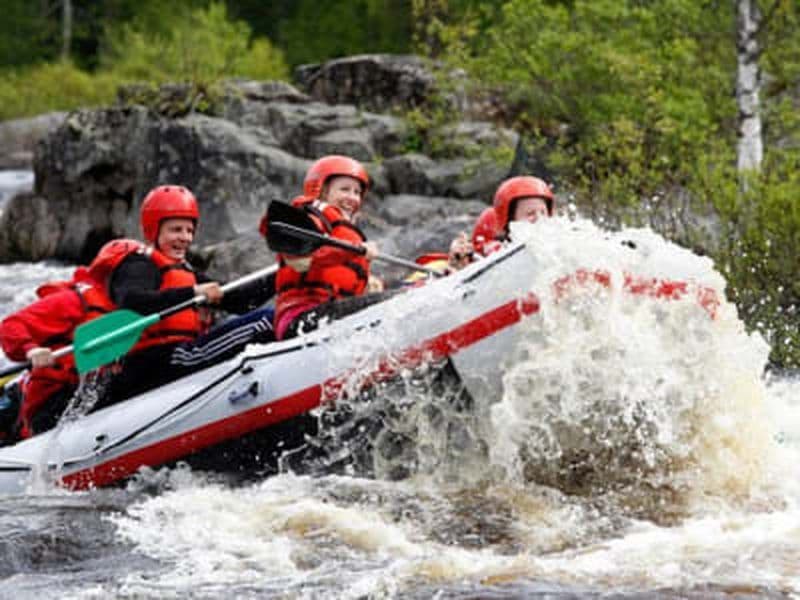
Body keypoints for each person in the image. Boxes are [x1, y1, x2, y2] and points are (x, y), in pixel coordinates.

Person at [92, 184, 275, 404]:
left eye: (189, 231)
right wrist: (192, 293)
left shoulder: (184, 271)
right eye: (176, 230)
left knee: (262, 317)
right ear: (154, 230)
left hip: (178, 356)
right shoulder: (140, 264)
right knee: (267, 321)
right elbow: (132, 302)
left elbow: (240, 301)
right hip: (154, 363)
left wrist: (284, 273)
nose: (185, 238)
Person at [270, 155, 383, 339]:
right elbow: (299, 262)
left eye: (357, 192)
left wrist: (368, 285)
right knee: (391, 304)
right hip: (299, 318)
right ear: (321, 191)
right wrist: (352, 250)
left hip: (331, 312)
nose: (352, 198)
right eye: (344, 189)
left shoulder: (345, 233)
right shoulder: (308, 220)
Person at [0, 267, 115, 438]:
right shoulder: (75, 300)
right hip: (48, 399)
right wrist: (31, 350)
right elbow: (10, 326)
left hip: (86, 389)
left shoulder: (144, 306)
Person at [447, 176, 555, 267]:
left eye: (543, 212)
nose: (539, 218)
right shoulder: (499, 249)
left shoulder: (555, 241)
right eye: (530, 214)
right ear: (509, 221)